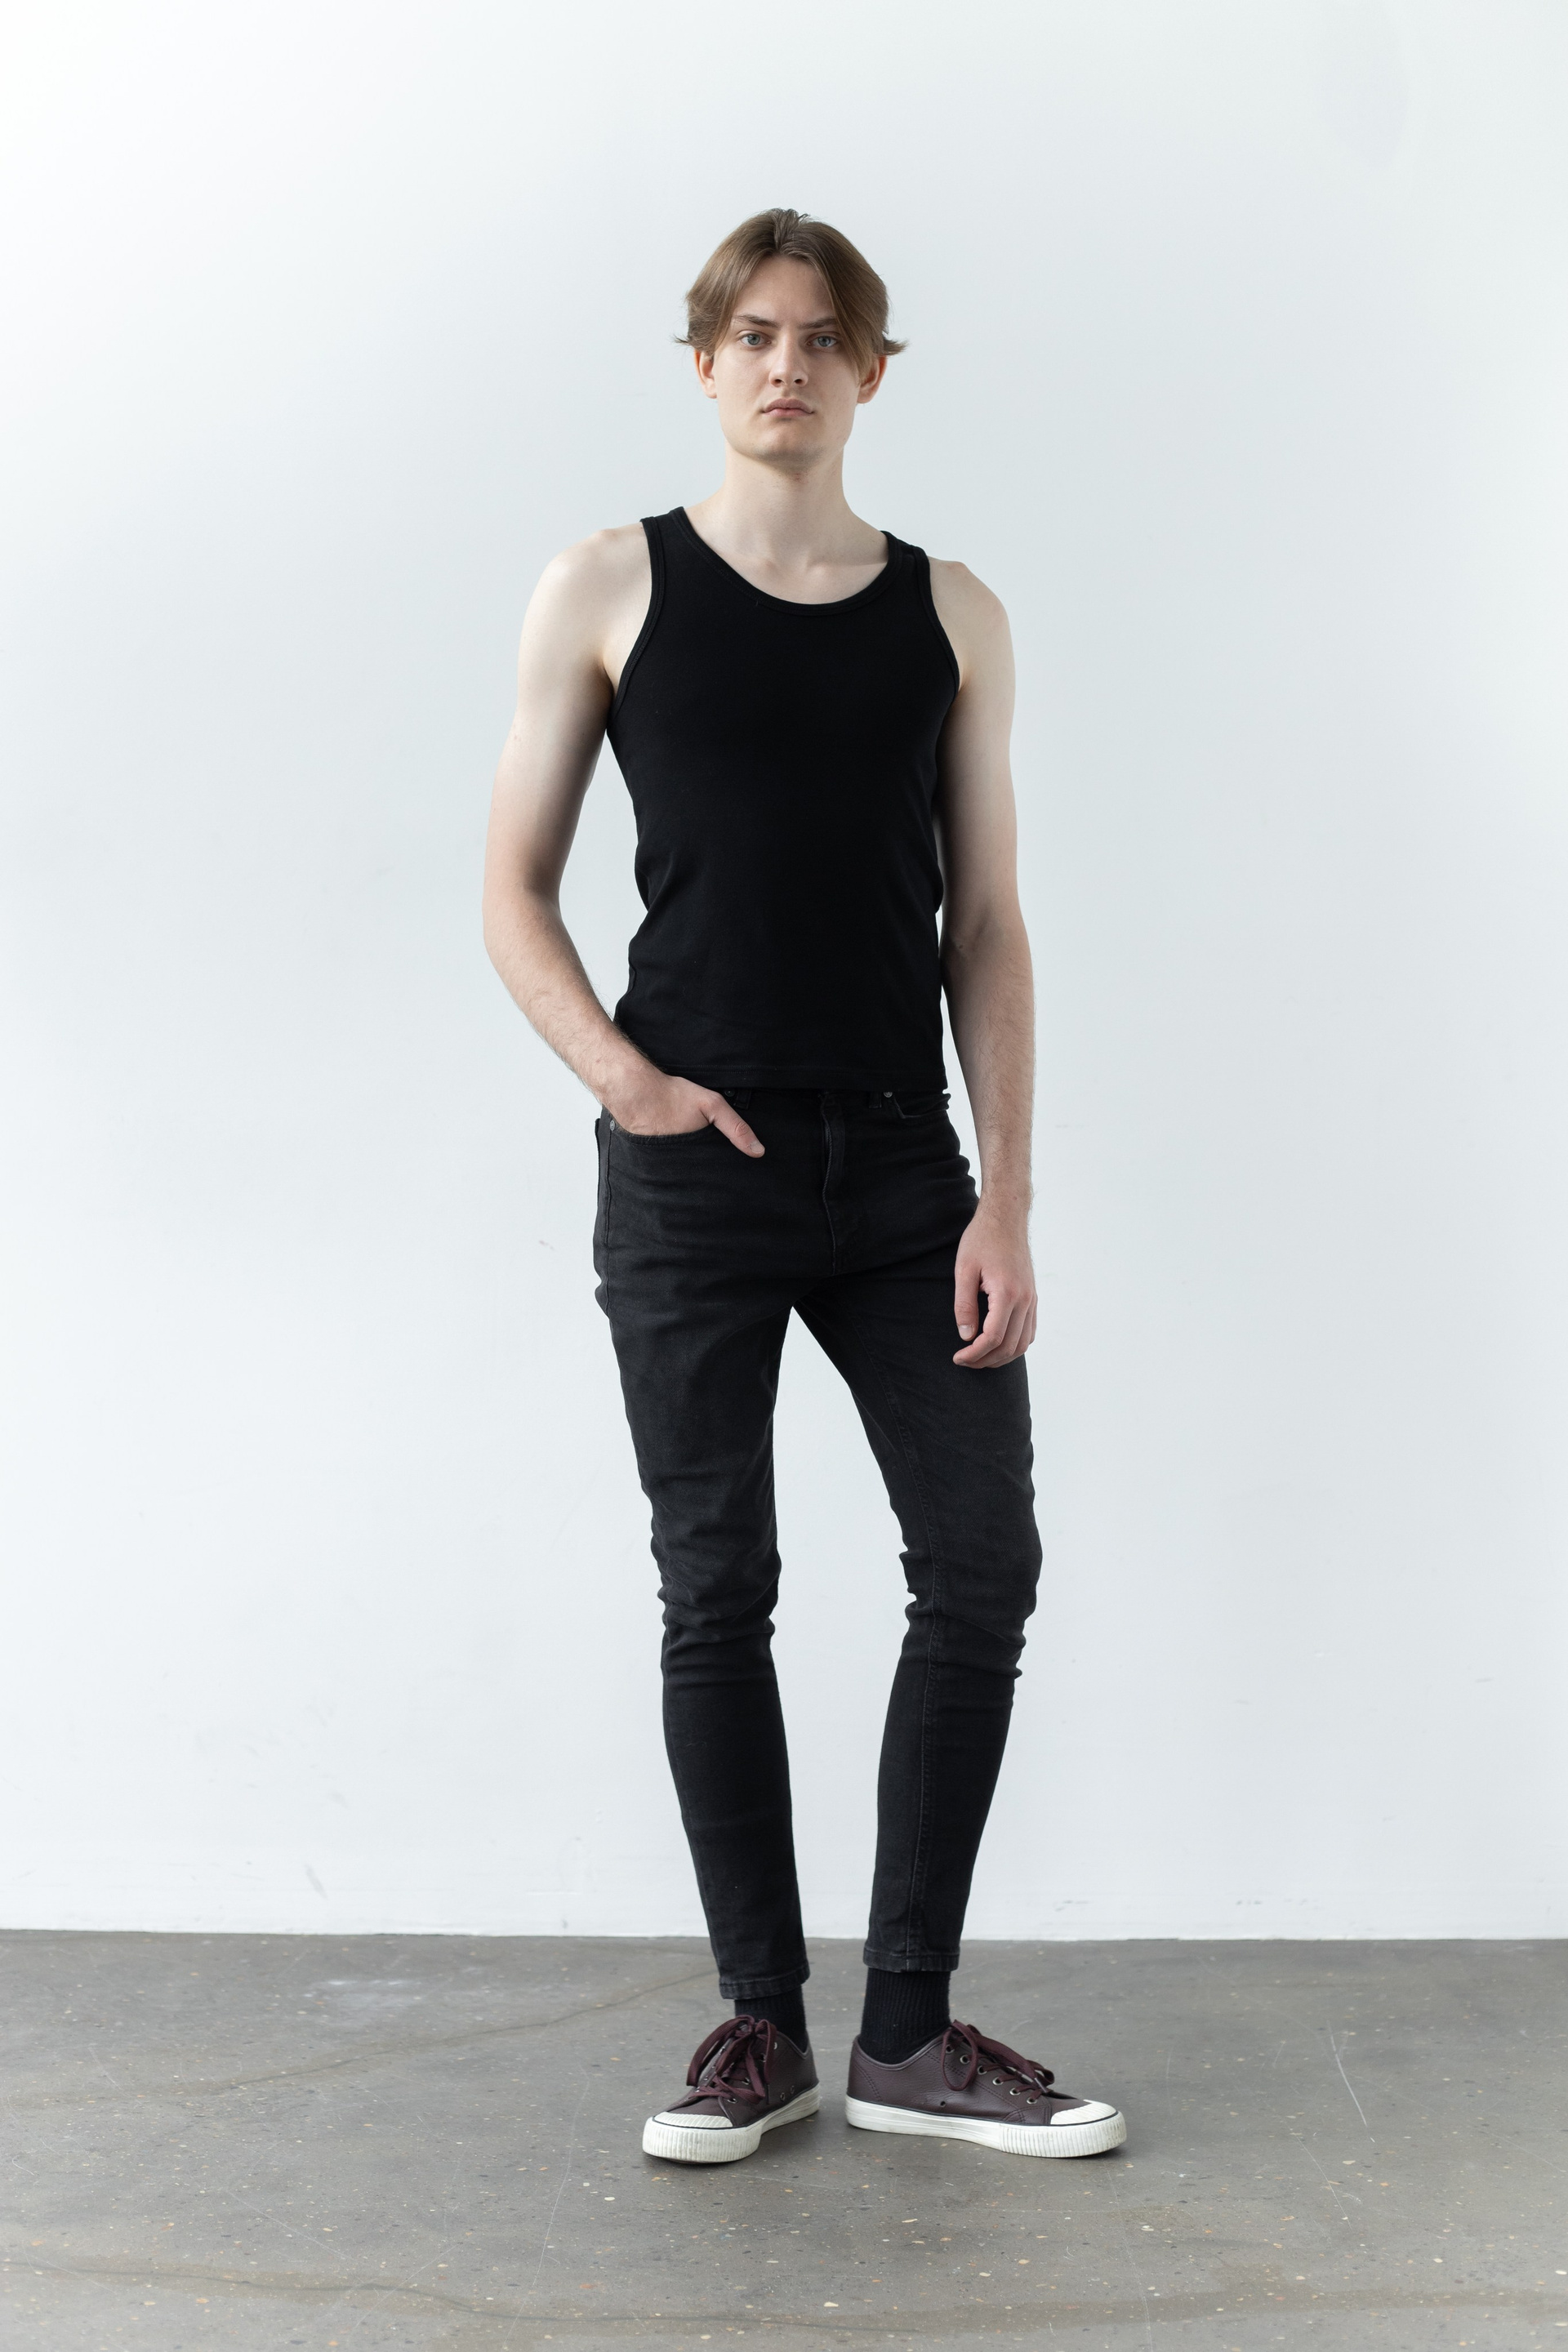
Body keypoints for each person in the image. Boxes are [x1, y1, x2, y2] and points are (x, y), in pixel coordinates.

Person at [482, 208, 1125, 2167]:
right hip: (693, 1172)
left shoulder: (953, 613)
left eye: (825, 337)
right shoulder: (608, 585)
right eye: (754, 334)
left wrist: (1006, 1196)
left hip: (905, 1170)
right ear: (706, 363)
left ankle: (907, 2034)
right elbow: (509, 889)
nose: (789, 365)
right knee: (718, 1587)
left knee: (983, 1567)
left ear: (871, 373)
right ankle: (758, 2023)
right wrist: (630, 1086)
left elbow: (988, 923)